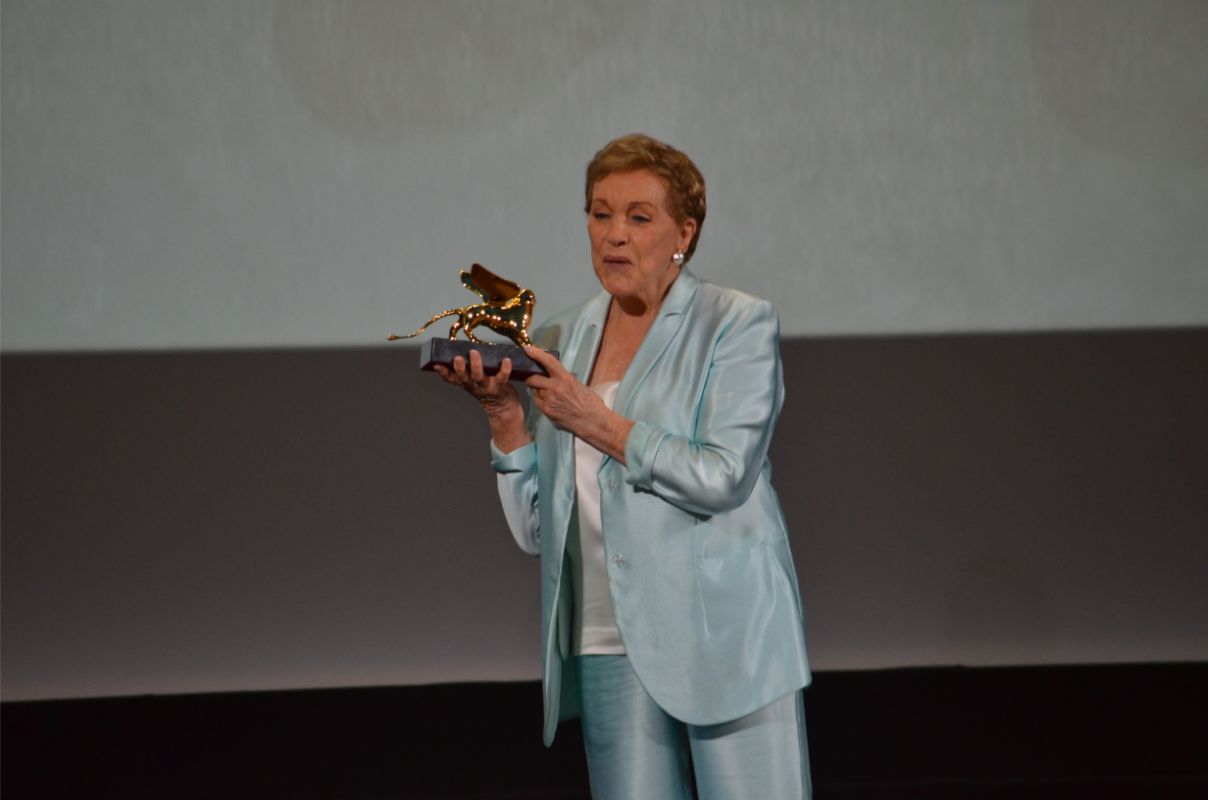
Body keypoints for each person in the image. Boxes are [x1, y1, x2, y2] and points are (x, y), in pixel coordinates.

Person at [435, 133, 811, 799]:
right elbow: (540, 532)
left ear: (683, 233)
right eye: (599, 213)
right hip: (606, 639)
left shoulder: (735, 323)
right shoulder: (559, 337)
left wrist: (596, 422)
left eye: (638, 216)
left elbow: (723, 477)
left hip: (723, 635)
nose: (613, 234)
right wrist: (505, 418)